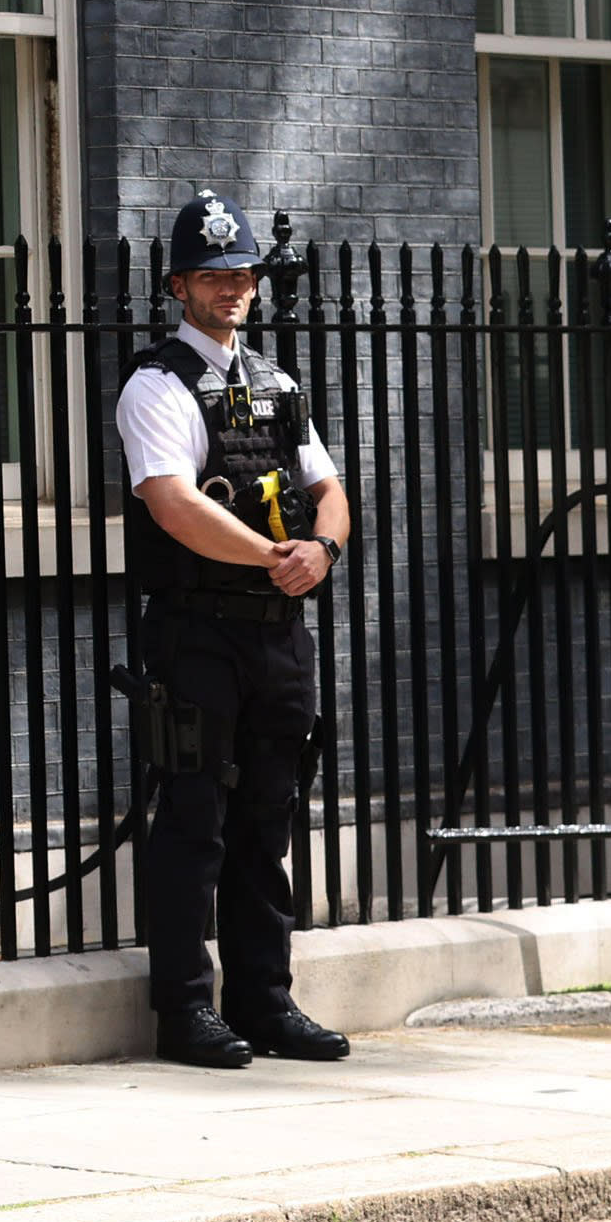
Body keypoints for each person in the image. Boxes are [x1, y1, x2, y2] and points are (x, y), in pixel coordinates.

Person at [116, 191, 356, 1072]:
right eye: (214, 274)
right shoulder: (156, 385)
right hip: (198, 633)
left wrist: (321, 548)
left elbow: (328, 486)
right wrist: (273, 557)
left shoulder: (279, 386)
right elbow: (173, 505)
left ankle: (265, 1000)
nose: (233, 287)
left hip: (277, 635)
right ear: (180, 284)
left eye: (243, 272)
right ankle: (185, 1011)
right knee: (194, 819)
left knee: (269, 816)